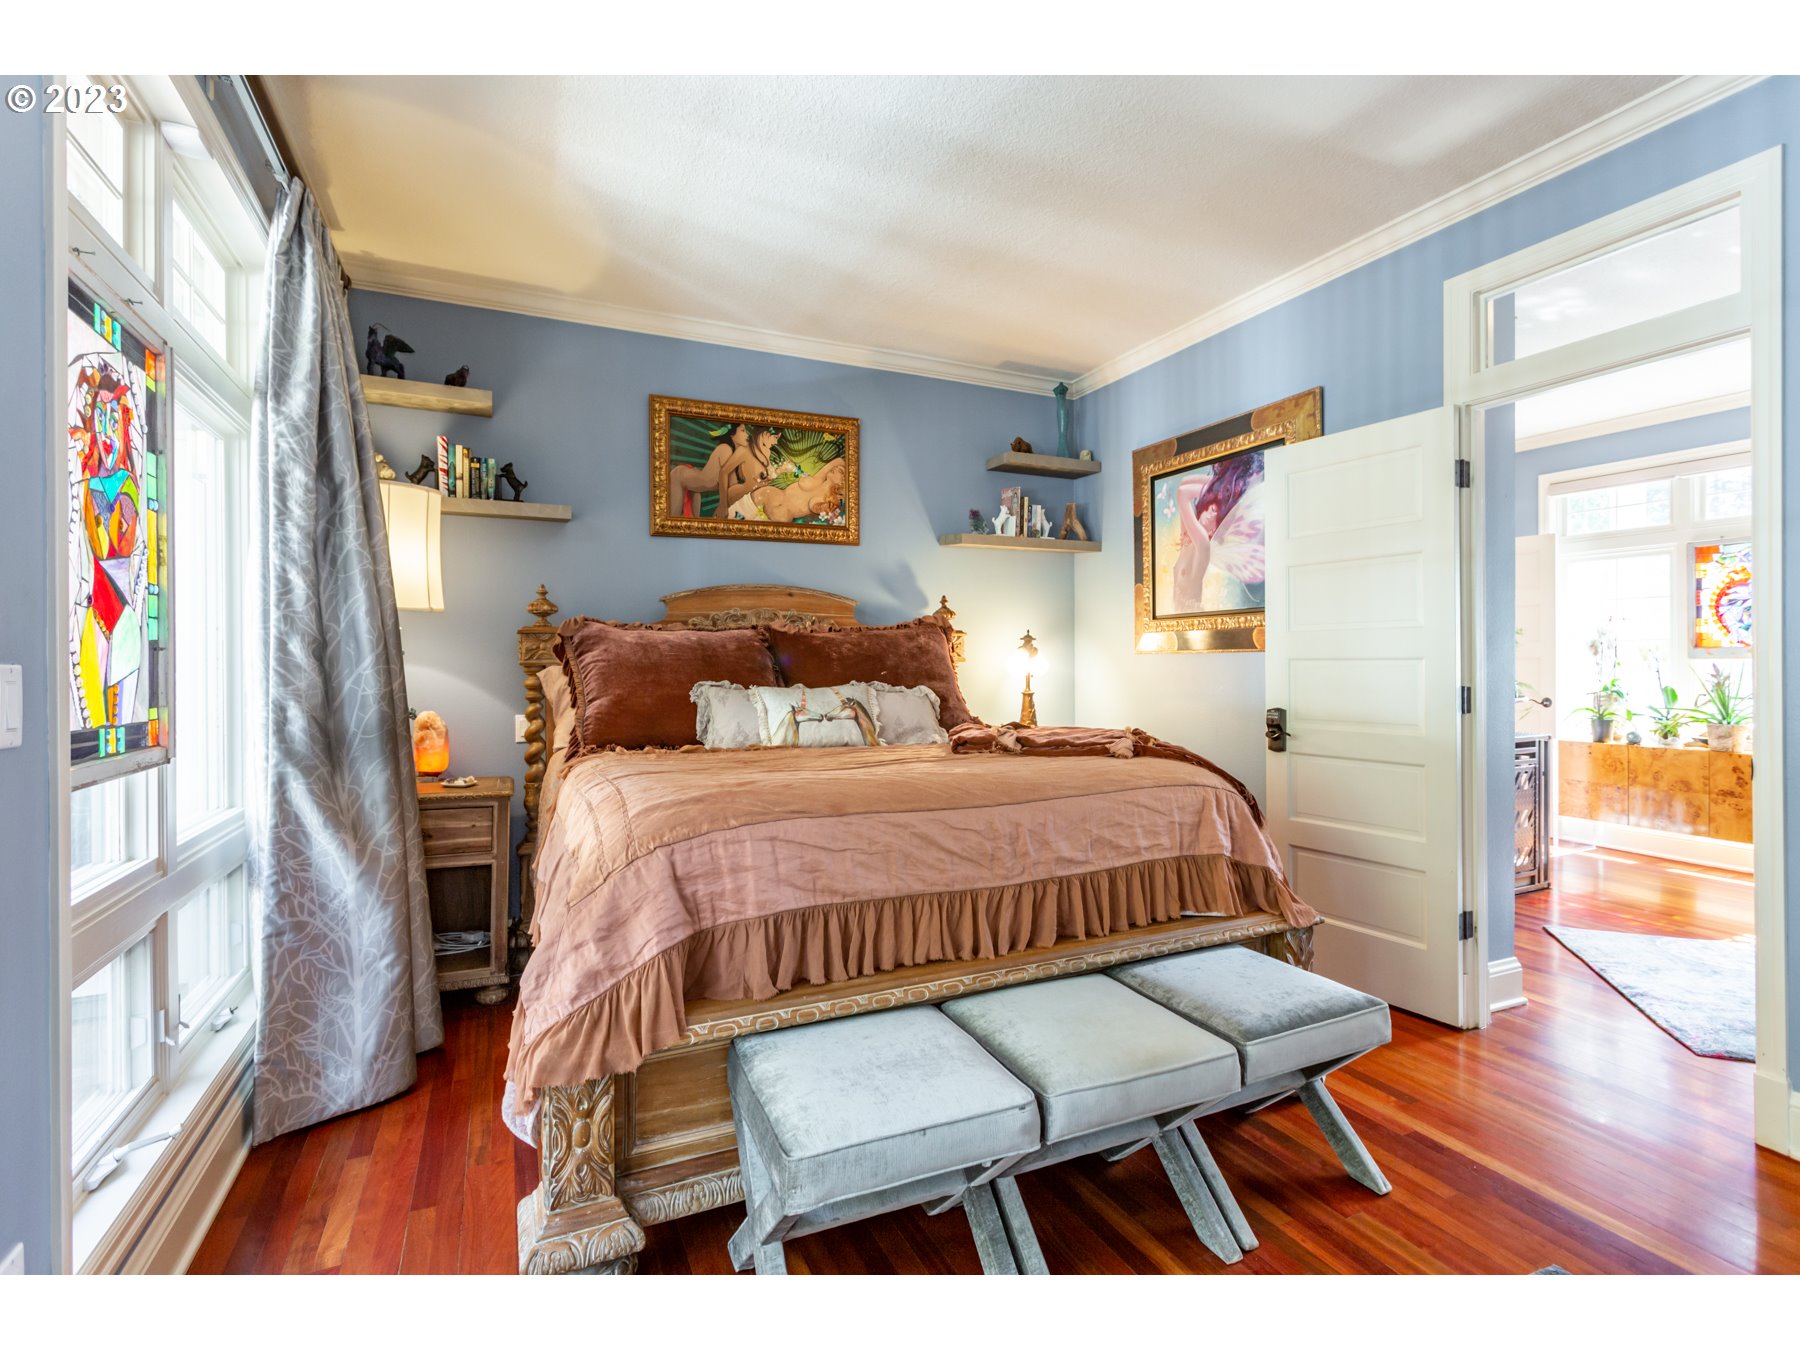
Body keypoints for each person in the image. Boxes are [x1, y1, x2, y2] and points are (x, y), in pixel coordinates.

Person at [668, 424, 777, 517]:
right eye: (743, 431)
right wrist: (723, 505)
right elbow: (729, 484)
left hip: (697, 489)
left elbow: (734, 488)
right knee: (673, 517)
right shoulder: (725, 449)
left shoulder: (738, 454)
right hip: (679, 477)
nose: (746, 435)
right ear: (732, 435)